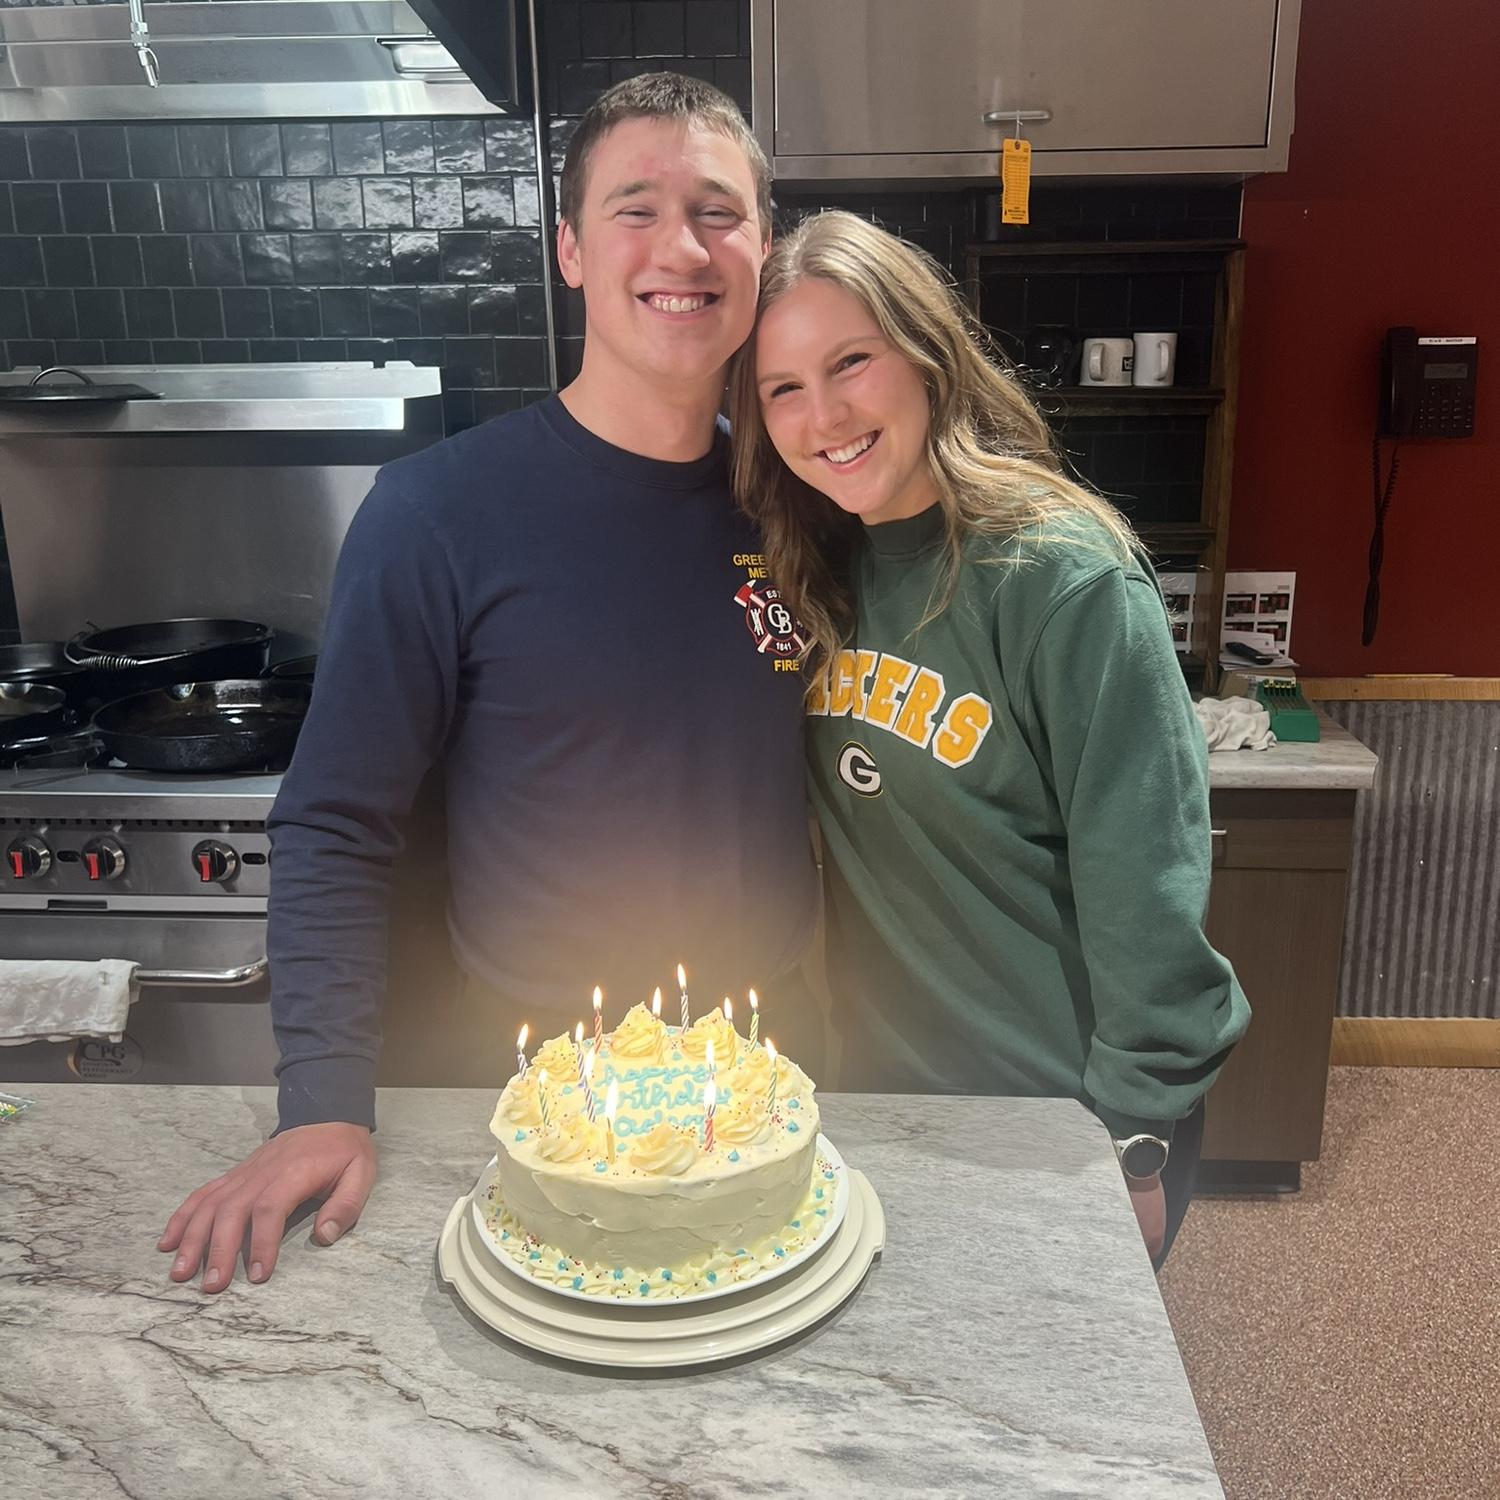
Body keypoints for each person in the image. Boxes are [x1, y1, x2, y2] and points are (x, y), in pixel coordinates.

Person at [158, 74, 820, 1293]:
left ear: (763, 248)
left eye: (719, 212)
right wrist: (322, 1100)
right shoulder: (436, 515)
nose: (682, 248)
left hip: (769, 1089)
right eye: (635, 209)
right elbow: (334, 821)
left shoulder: (799, 500)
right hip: (532, 1105)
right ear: (569, 249)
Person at [727, 212, 1251, 1267]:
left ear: (926, 354)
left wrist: (1132, 1137)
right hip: (894, 1105)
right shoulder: (824, 571)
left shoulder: (1062, 577)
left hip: (1065, 1117)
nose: (824, 415)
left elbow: (1147, 878)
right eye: (782, 388)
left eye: (851, 362)